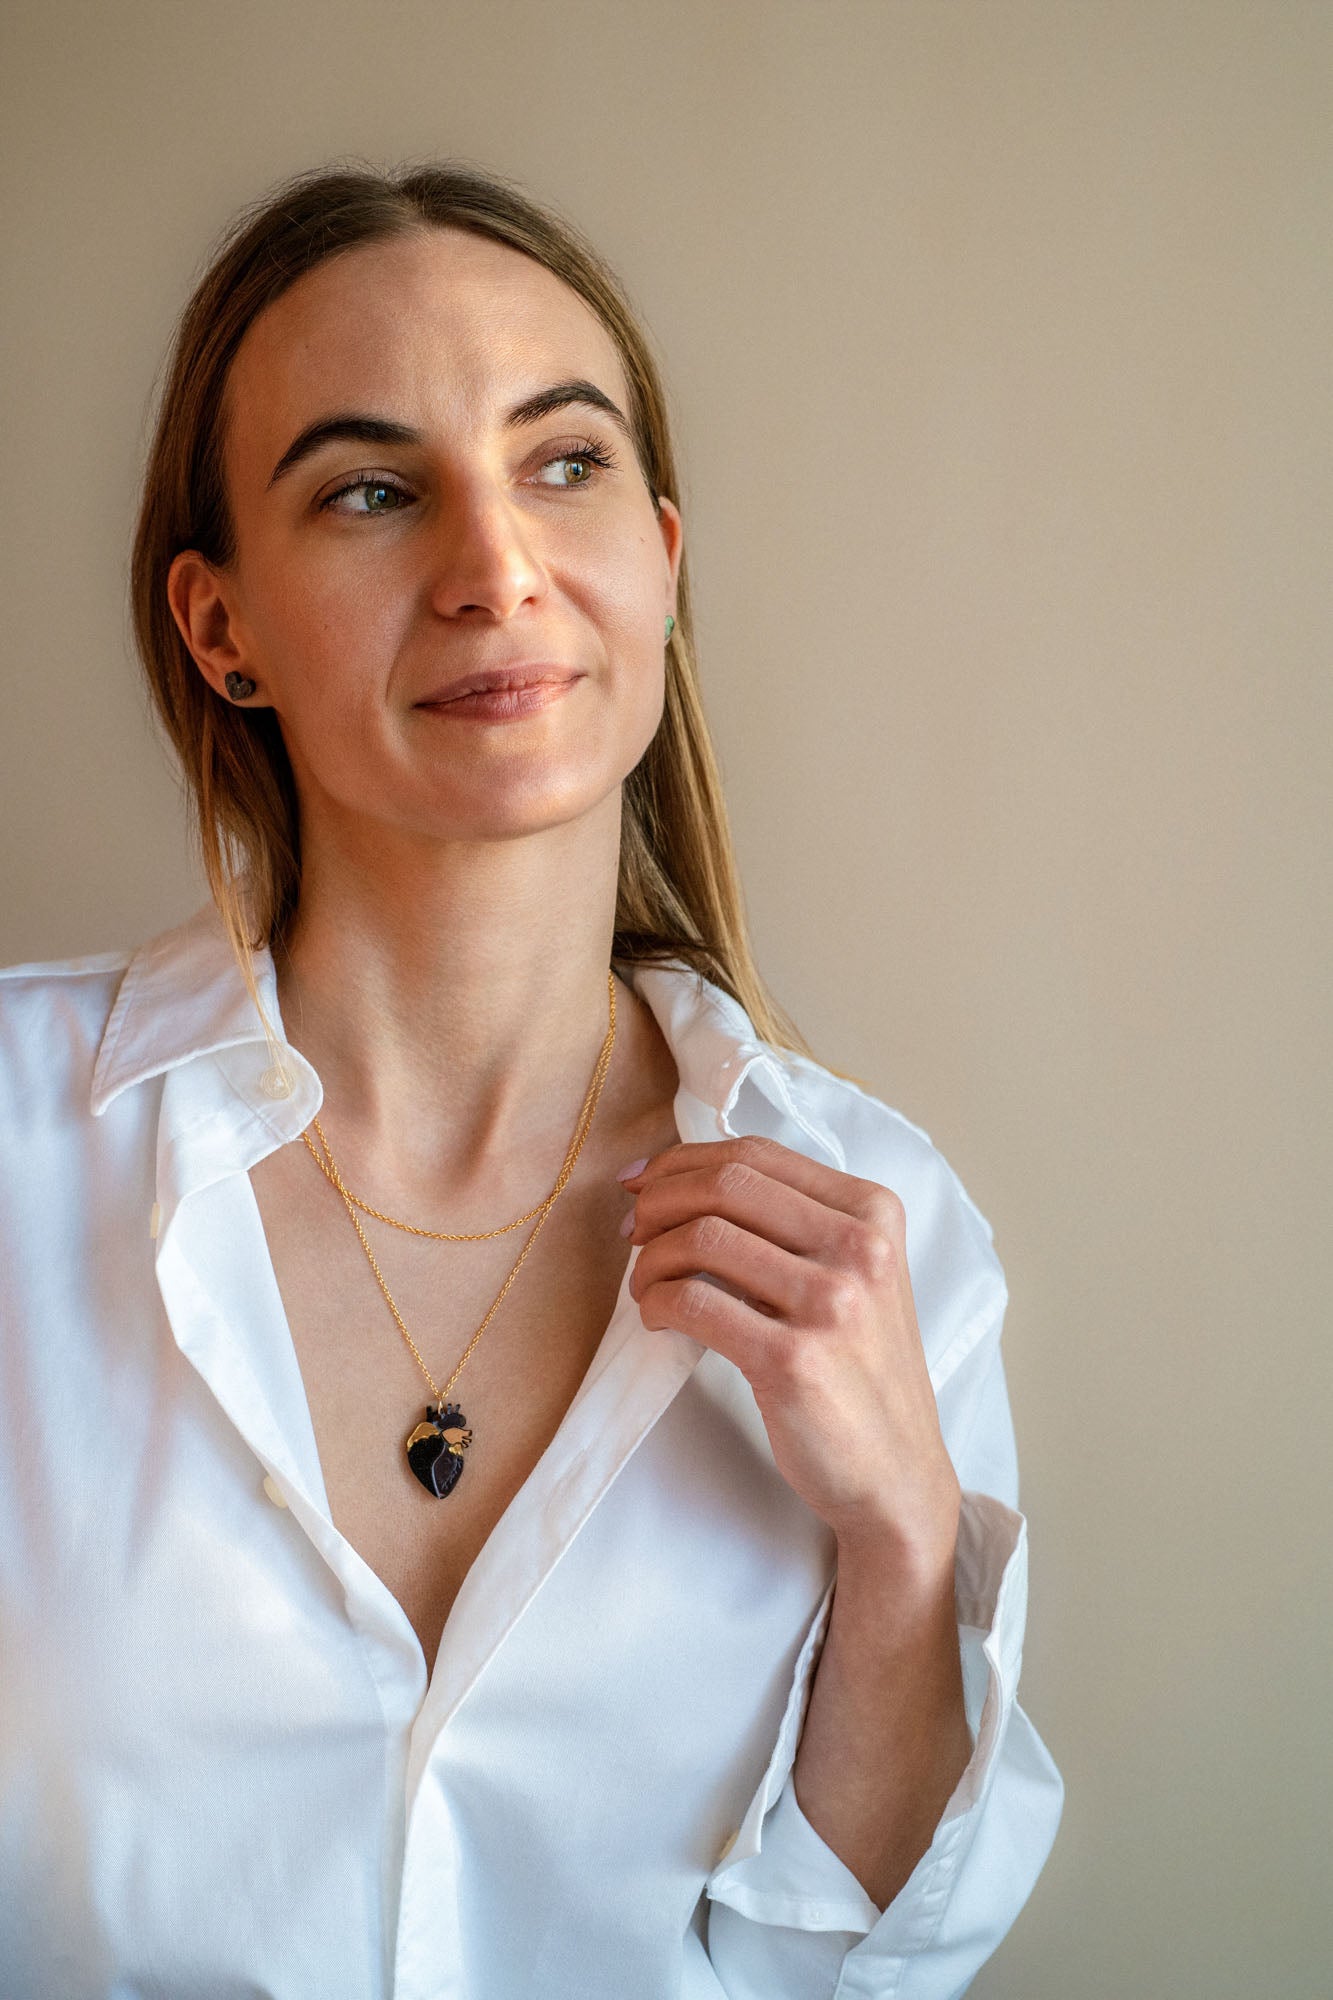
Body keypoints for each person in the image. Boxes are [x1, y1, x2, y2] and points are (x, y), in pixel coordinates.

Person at [0, 161, 1063, 1998]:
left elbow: (832, 1974)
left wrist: (901, 1547)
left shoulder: (880, 1229)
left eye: (563, 463)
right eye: (370, 490)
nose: (496, 569)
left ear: (661, 555)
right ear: (220, 626)